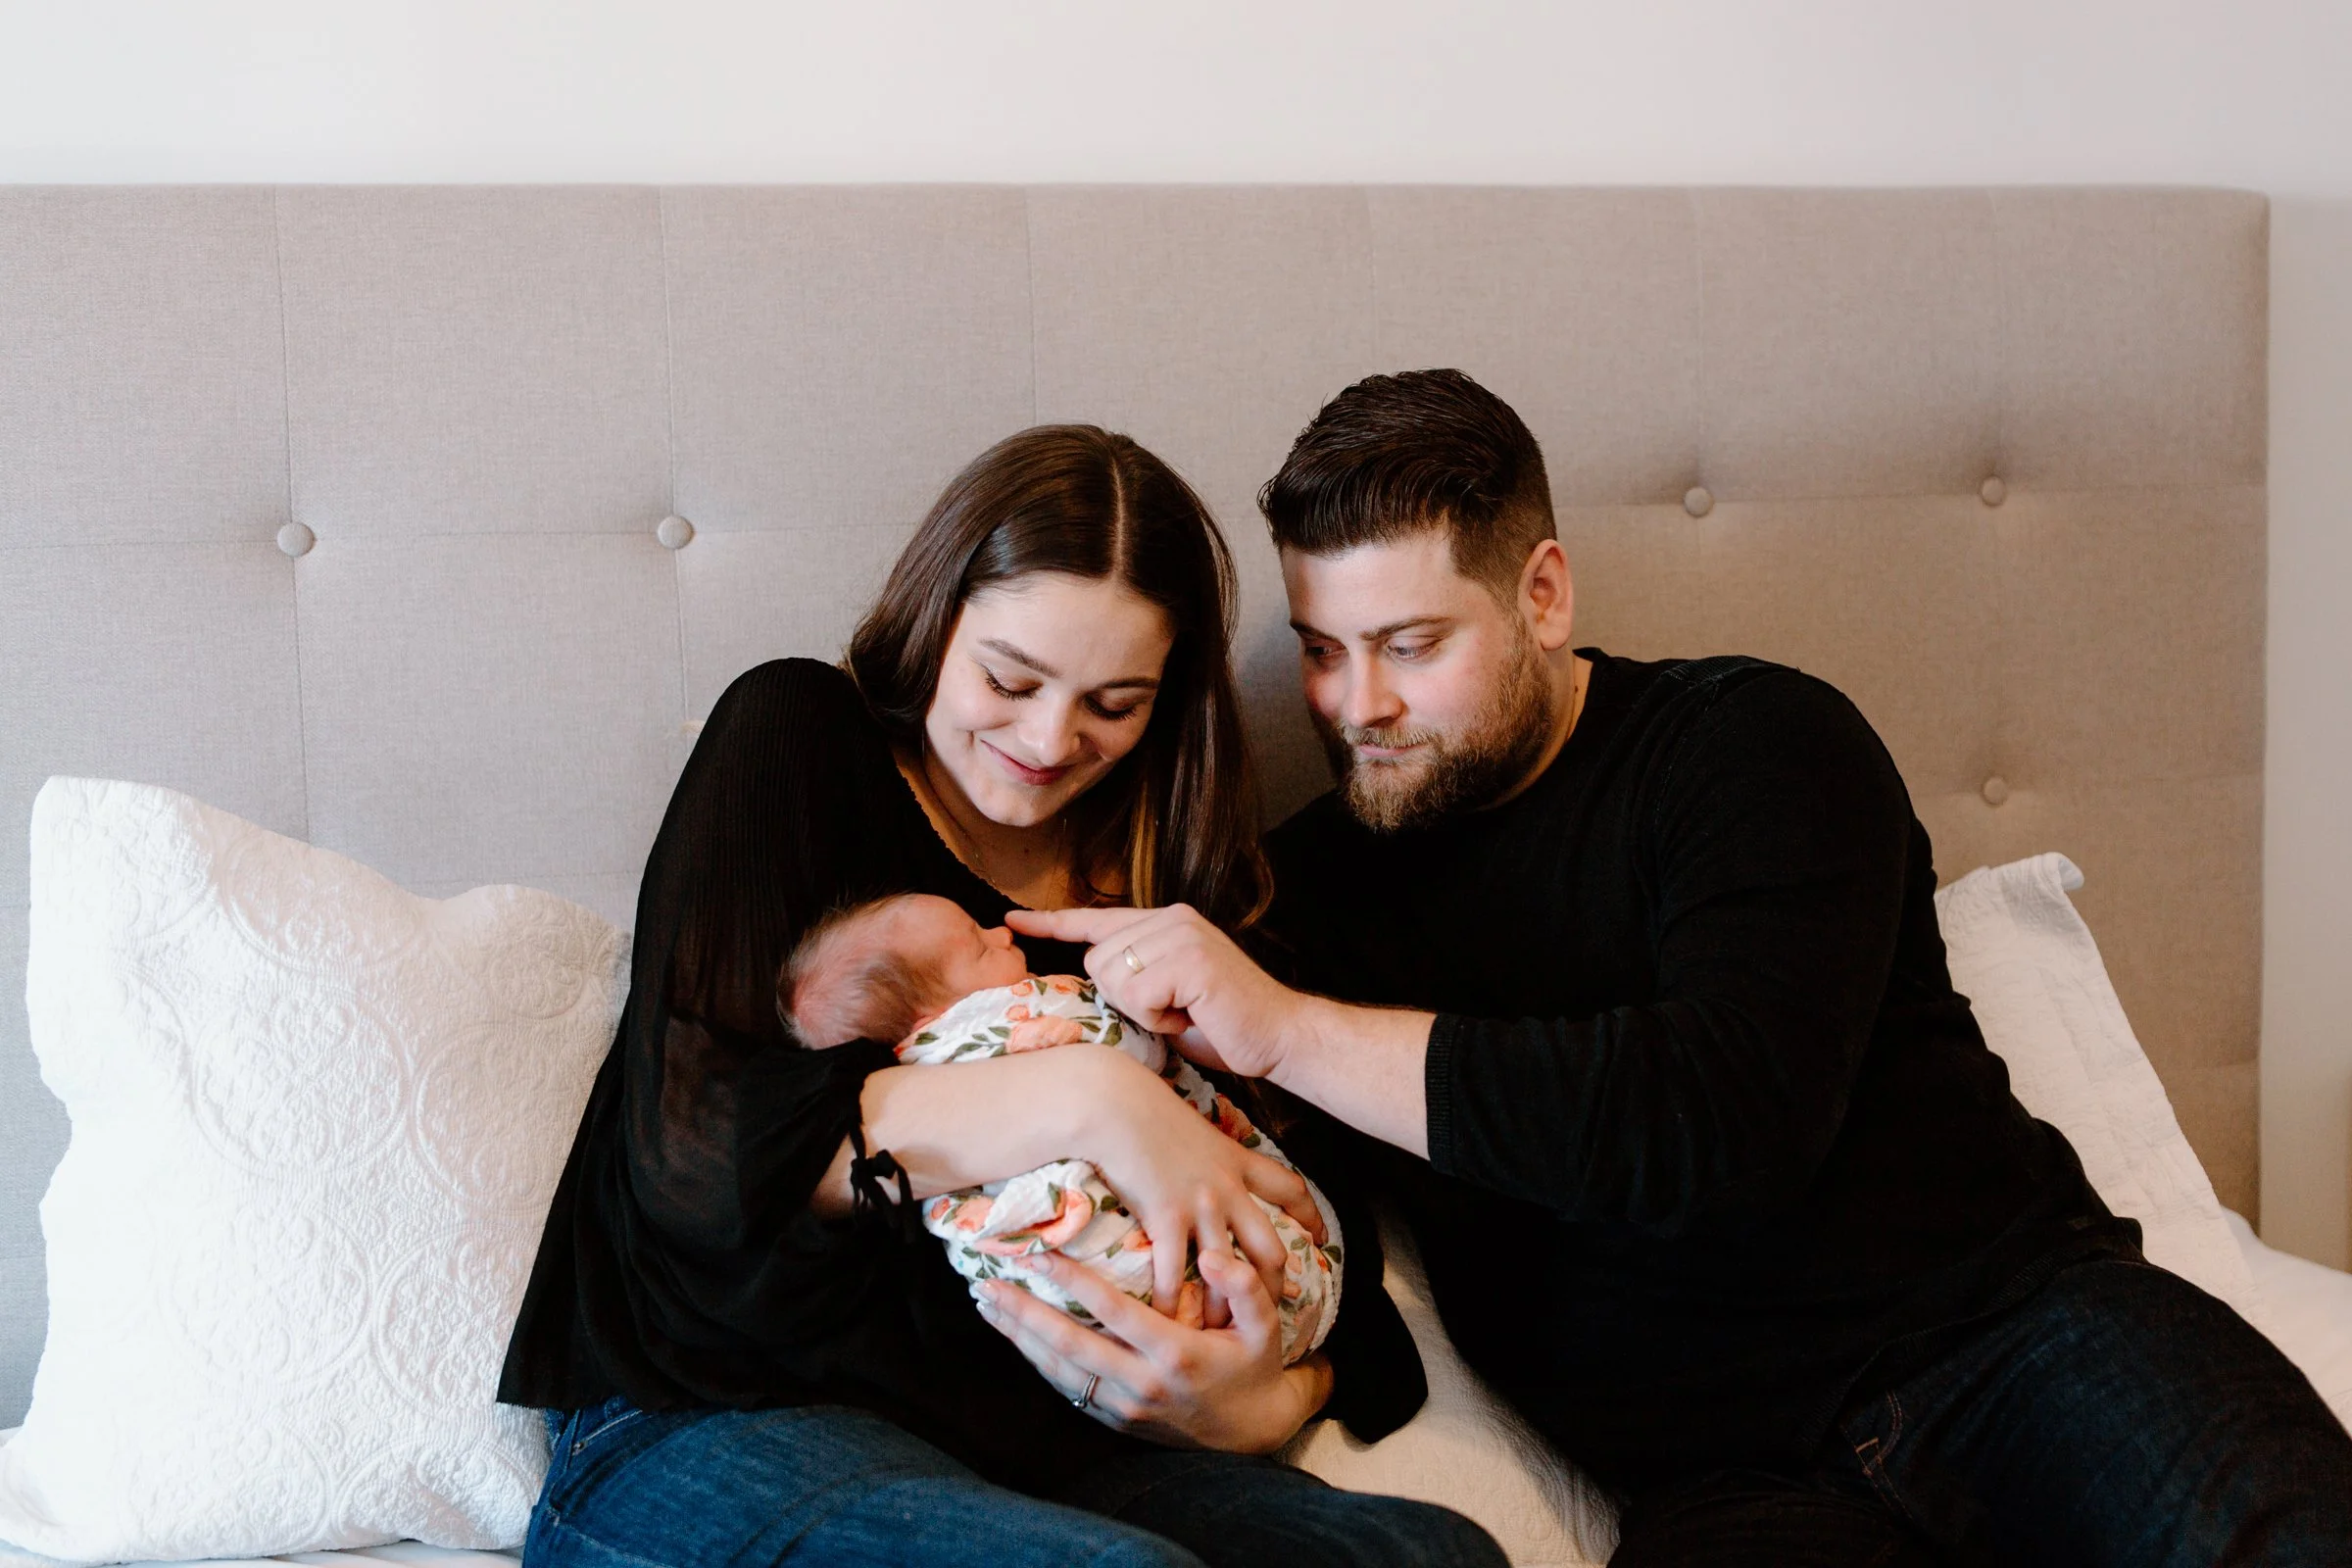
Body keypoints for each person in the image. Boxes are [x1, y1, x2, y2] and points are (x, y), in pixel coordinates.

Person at [1007, 370, 2352, 1567]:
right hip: (1723, 1479)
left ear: (1542, 593)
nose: (1357, 706)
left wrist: (1291, 1030)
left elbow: (1721, 1121)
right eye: (1320, 650)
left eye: (1411, 646)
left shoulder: (1754, 745)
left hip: (2014, 1342)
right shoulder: (1301, 898)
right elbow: (1252, 1183)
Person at [497, 423, 1504, 1568]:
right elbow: (695, 1166)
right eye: (1008, 679)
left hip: (1066, 1463)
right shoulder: (798, 737)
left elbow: (1328, 1250)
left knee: (1433, 1559)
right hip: (722, 1419)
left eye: (1112, 704)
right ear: (937, 619)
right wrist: (1091, 1099)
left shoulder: (1180, 904)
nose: (1045, 738)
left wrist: (1257, 1406)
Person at [775, 891, 1342, 1364]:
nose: (1000, 934)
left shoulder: (913, 1082)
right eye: (978, 946)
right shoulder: (1013, 1018)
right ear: (933, 1019)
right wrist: (1130, 1006)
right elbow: (1130, 1044)